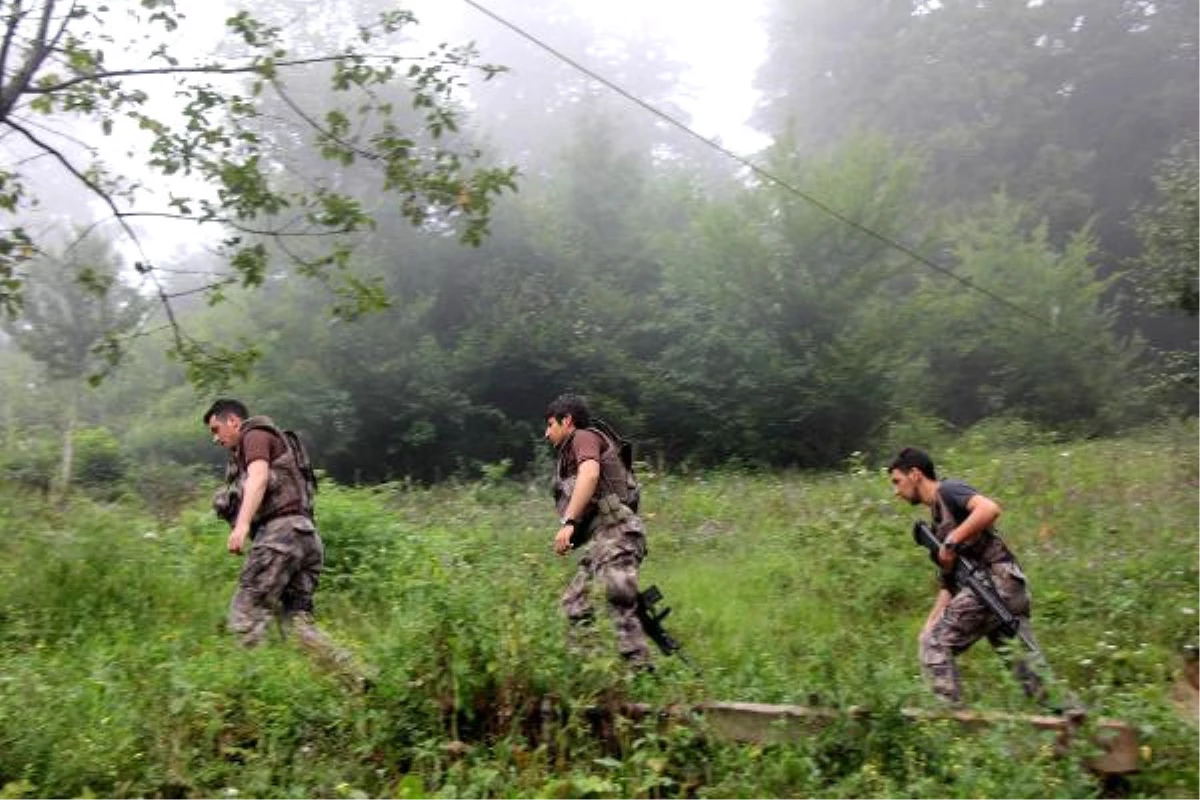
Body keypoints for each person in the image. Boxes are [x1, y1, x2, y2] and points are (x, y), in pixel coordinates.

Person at [204, 398, 362, 684]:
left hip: (282, 535)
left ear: (233, 421)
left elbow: (260, 478)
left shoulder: (254, 435)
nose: (216, 438)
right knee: (297, 626)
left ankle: (248, 700)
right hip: (306, 537)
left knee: (246, 614)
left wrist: (240, 526)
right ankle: (357, 680)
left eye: (217, 429)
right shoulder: (266, 442)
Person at [888, 446, 1046, 706]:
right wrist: (930, 623)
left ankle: (951, 725)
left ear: (915, 474)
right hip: (1003, 589)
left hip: (997, 585)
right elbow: (949, 584)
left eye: (897, 481)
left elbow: (989, 509)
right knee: (1032, 677)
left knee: (935, 646)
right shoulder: (937, 521)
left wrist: (952, 541)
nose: (896, 492)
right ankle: (1076, 725)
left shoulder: (949, 491)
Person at [544, 393, 652, 668]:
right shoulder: (569, 453)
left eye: (550, 425)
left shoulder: (582, 437)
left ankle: (641, 677)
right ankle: (590, 674)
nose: (546, 434)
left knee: (618, 598)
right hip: (603, 538)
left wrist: (568, 523)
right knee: (574, 604)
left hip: (617, 531)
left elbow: (590, 475)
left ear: (566, 420)